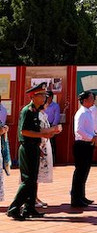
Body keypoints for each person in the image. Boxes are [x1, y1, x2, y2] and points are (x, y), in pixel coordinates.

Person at [7, 83, 61, 220]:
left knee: (33, 179)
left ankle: (29, 208)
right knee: (28, 180)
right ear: (33, 96)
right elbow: (24, 131)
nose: (44, 98)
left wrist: (49, 133)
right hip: (27, 148)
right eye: (41, 95)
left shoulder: (36, 111)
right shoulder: (28, 111)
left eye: (45, 95)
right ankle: (14, 209)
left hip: (34, 147)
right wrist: (43, 135)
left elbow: (37, 131)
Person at [71, 91, 97, 208]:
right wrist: (90, 137)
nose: (94, 100)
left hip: (87, 144)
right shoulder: (81, 113)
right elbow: (78, 130)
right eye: (91, 98)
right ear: (85, 100)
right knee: (80, 172)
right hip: (82, 144)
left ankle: (81, 196)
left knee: (84, 171)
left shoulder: (89, 112)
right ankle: (76, 198)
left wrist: (94, 135)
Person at [36, 91, 58, 208]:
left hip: (44, 144)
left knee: (38, 174)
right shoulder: (36, 115)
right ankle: (31, 198)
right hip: (38, 145)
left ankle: (35, 196)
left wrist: (53, 131)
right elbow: (38, 131)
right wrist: (52, 130)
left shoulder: (43, 115)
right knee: (34, 174)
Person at [43, 93, 61, 163]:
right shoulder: (43, 105)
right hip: (43, 126)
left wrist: (53, 127)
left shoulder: (55, 106)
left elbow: (57, 117)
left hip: (51, 125)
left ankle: (53, 160)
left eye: (48, 97)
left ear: (51, 97)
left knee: (52, 143)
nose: (46, 98)